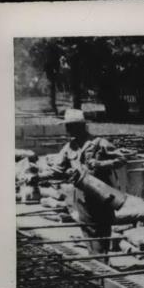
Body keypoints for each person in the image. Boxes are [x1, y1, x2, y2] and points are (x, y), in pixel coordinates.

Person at [52, 108, 126, 256]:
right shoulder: (69, 148)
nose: (67, 129)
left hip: (101, 195)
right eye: (67, 126)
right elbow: (57, 170)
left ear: (80, 126)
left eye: (70, 126)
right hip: (82, 198)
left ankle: (101, 266)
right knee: (87, 230)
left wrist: (100, 164)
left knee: (102, 231)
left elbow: (121, 159)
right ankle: (97, 266)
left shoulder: (99, 143)